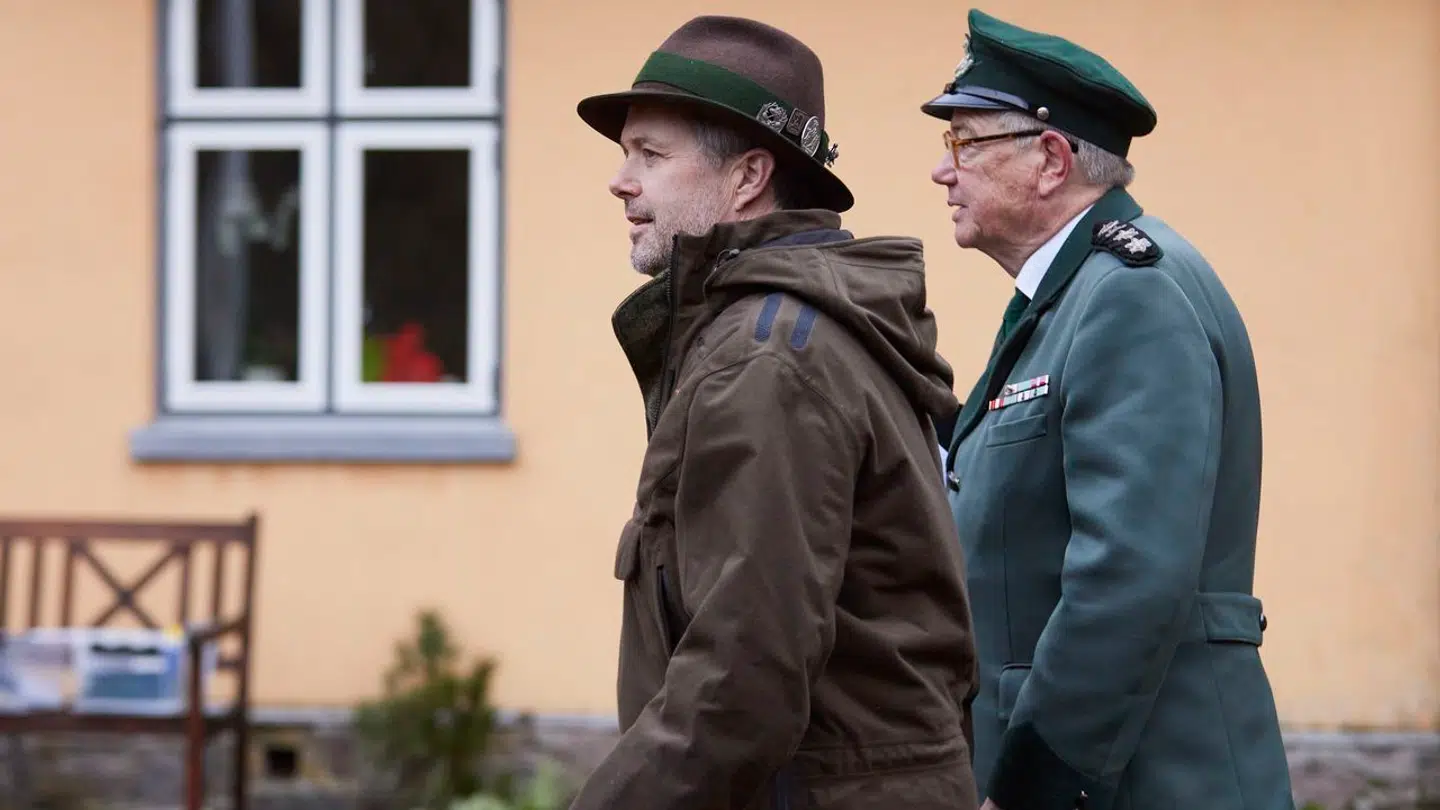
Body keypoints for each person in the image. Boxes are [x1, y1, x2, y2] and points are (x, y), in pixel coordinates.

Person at [566, 14, 981, 810]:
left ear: (748, 176)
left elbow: (741, 675)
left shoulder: (770, 358)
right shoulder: (784, 330)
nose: (622, 181)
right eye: (625, 156)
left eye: (650, 155)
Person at [922, 9, 1295, 810]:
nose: (942, 172)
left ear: (1050, 160)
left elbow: (1128, 576)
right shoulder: (1072, 296)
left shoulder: (1131, 296)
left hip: (1147, 777)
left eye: (964, 143)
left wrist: (1035, 784)